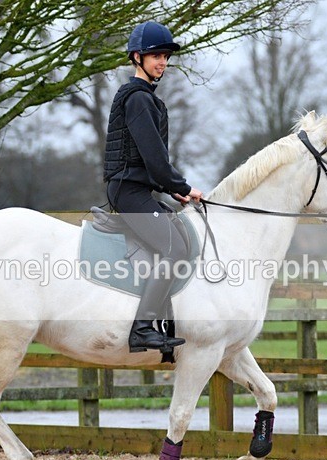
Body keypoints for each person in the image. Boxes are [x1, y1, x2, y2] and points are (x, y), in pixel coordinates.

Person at [103, 21, 204, 353]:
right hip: (128, 191)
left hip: (137, 189)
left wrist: (171, 189)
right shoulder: (138, 99)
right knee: (175, 248)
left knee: (181, 237)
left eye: (164, 56)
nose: (162, 62)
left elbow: (151, 163)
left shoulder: (145, 98)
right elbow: (156, 158)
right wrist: (183, 187)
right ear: (137, 57)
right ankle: (143, 327)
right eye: (155, 55)